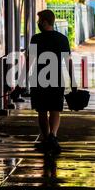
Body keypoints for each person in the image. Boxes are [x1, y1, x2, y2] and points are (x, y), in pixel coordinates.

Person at [29, 10, 75, 154]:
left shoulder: (35, 39)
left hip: (38, 78)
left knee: (42, 110)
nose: (38, 23)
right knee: (55, 109)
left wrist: (21, 80)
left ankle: (45, 138)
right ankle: (53, 136)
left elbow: (30, 61)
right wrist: (73, 83)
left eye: (39, 20)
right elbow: (68, 62)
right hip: (56, 77)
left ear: (45, 21)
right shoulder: (62, 39)